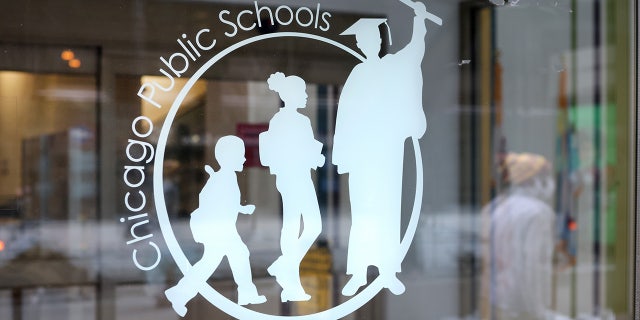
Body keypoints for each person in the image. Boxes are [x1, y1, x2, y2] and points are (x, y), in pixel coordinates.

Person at [333, 1, 431, 296]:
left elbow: (415, 51)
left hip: (387, 153)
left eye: (372, 38)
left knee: (388, 210)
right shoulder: (357, 75)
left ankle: (388, 272)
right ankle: (358, 273)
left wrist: (419, 20)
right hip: (363, 156)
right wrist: (343, 157)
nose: (367, 44)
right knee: (363, 213)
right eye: (363, 41)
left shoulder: (392, 67)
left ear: (380, 41)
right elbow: (344, 118)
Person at [165, 136, 266, 317]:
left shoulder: (226, 177)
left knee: (233, 256)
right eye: (240, 155)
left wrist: (242, 208)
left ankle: (245, 294)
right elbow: (212, 203)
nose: (244, 159)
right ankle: (180, 293)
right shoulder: (223, 178)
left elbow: (224, 202)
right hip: (220, 230)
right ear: (227, 158)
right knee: (223, 259)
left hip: (223, 229)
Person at [259, 72, 324, 302]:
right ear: (292, 95)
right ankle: (290, 279)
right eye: (303, 92)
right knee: (294, 224)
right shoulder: (282, 120)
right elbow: (286, 151)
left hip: (300, 176)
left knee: (309, 225)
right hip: (291, 177)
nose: (306, 96)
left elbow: (304, 149)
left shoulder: (301, 121)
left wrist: (314, 157)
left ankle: (285, 266)